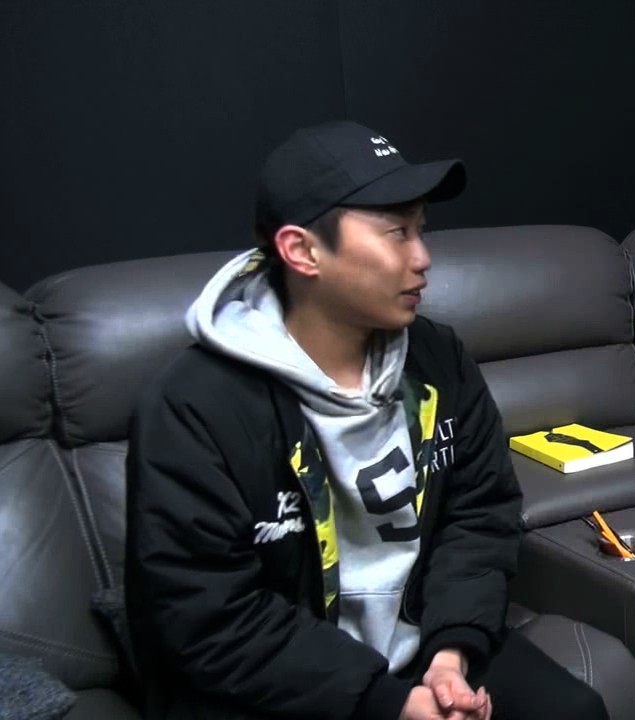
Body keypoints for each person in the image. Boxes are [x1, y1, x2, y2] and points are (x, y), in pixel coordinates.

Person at [125, 121, 609, 720]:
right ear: (302, 250)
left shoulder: (438, 359)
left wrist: (452, 654)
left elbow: (480, 514)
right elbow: (208, 614)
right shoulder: (194, 406)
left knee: (573, 711)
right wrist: (389, 703)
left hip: (422, 649)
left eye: (421, 230)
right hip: (283, 682)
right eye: (396, 233)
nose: (423, 258)